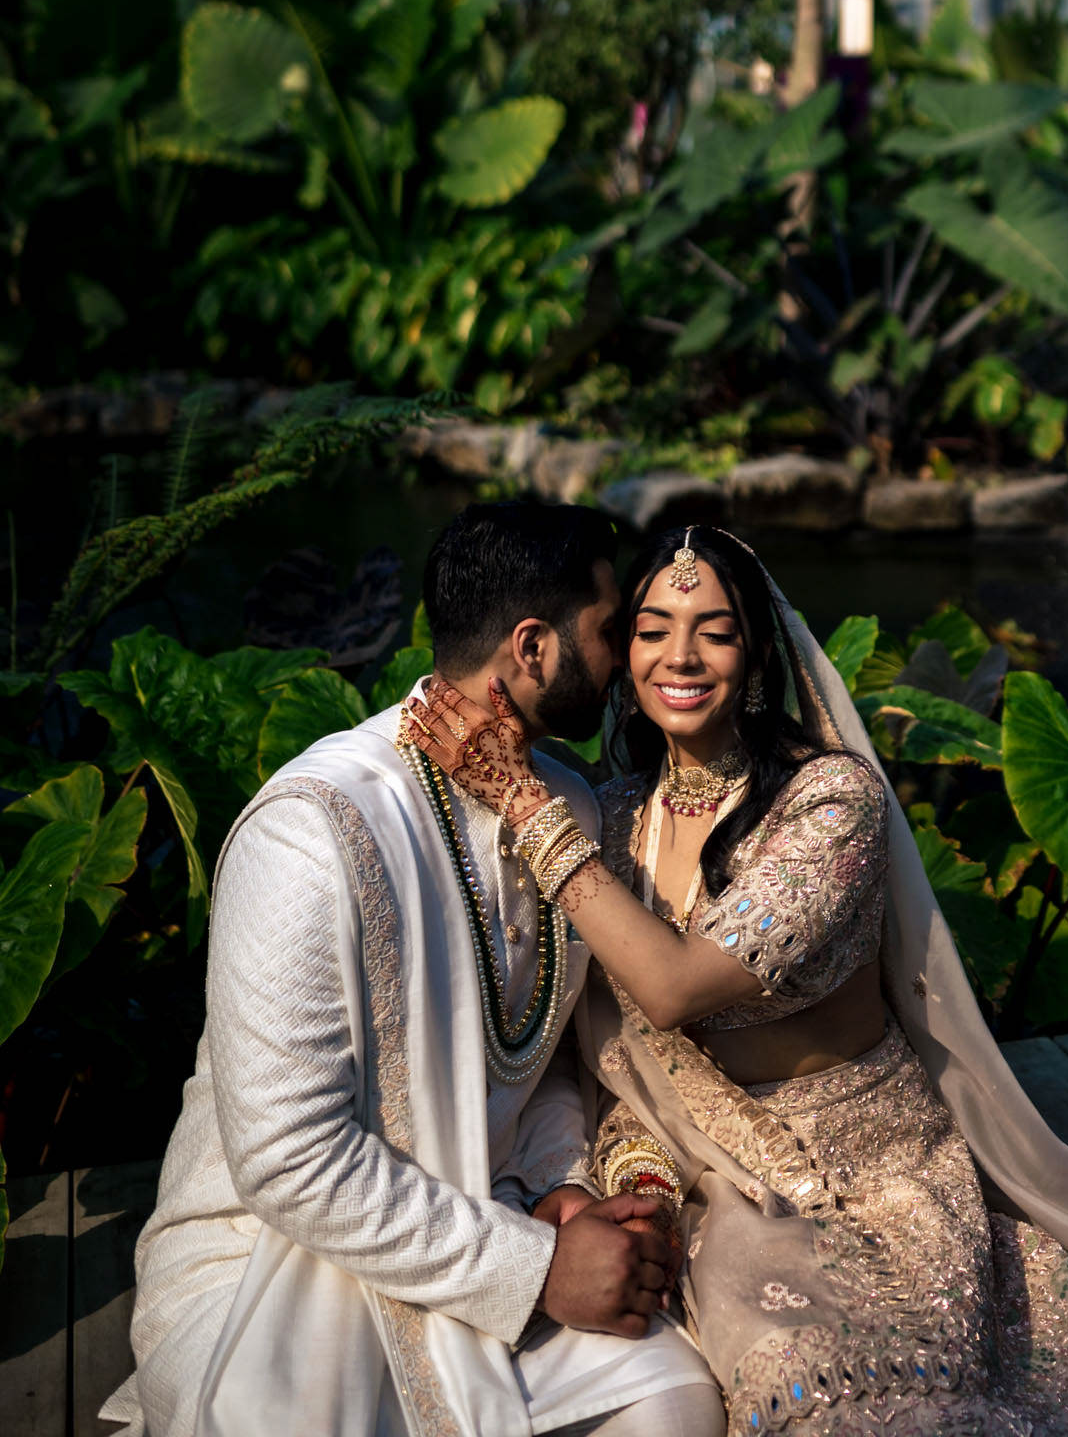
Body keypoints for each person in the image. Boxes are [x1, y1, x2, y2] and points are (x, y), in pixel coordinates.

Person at [404, 523, 1068, 1437]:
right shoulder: (608, 817)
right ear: (623, 652)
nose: (681, 656)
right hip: (717, 1191)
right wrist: (640, 1183)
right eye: (653, 627)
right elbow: (619, 1061)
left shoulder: (828, 806)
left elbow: (669, 990)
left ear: (757, 653)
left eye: (715, 629)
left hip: (878, 1175)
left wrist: (524, 805)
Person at [104, 501, 726, 1437]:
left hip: (499, 1212)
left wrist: (562, 1188)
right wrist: (533, 1269)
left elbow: (546, 1059)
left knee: (675, 1402)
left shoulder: (566, 809)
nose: (623, 663)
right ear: (531, 647)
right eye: (607, 632)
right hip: (272, 1262)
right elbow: (290, 1162)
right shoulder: (312, 830)